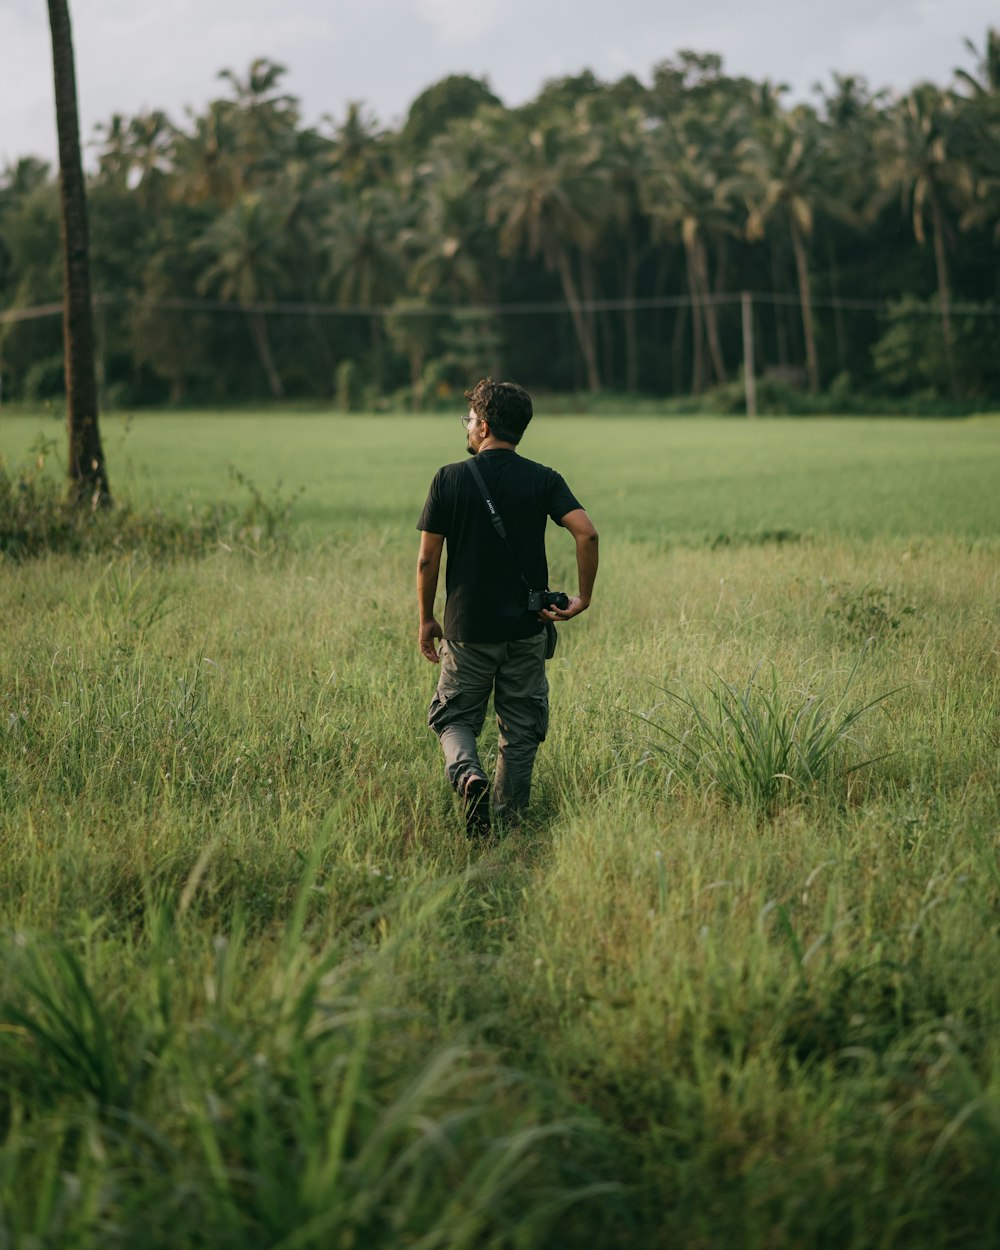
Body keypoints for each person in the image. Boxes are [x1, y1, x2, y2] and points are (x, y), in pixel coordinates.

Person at [416, 378, 599, 836]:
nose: (469, 426)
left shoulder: (449, 478)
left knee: (455, 717)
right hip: (526, 628)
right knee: (520, 730)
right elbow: (587, 533)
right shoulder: (543, 478)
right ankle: (508, 823)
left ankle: (467, 775)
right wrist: (583, 597)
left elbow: (427, 557)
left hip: (467, 629)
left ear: (484, 425)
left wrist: (426, 617)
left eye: (471, 419)